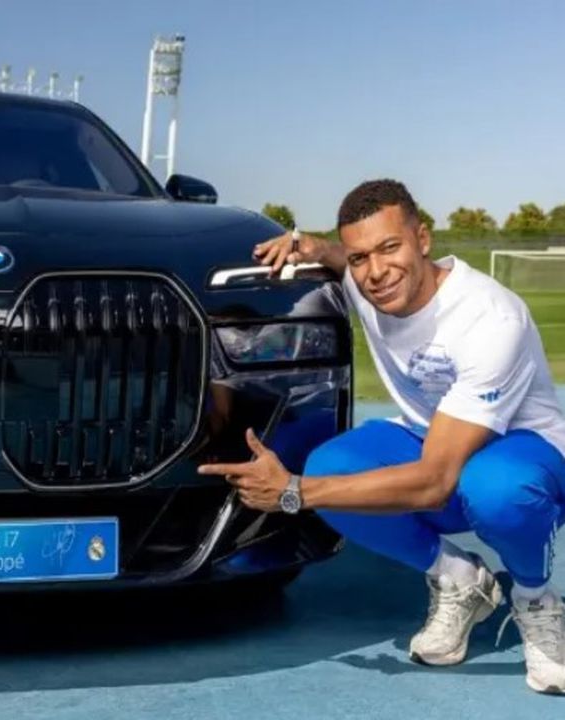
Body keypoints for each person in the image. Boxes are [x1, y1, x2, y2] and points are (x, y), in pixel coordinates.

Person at [197, 179, 565, 694]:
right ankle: (460, 580)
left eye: (390, 247)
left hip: (525, 451)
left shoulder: (490, 318)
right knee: (331, 469)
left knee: (495, 488)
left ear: (423, 239)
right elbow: (335, 257)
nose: (376, 271)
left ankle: (535, 597)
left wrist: (293, 492)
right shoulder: (365, 281)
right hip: (431, 436)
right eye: (360, 257)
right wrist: (308, 245)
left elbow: (434, 483)